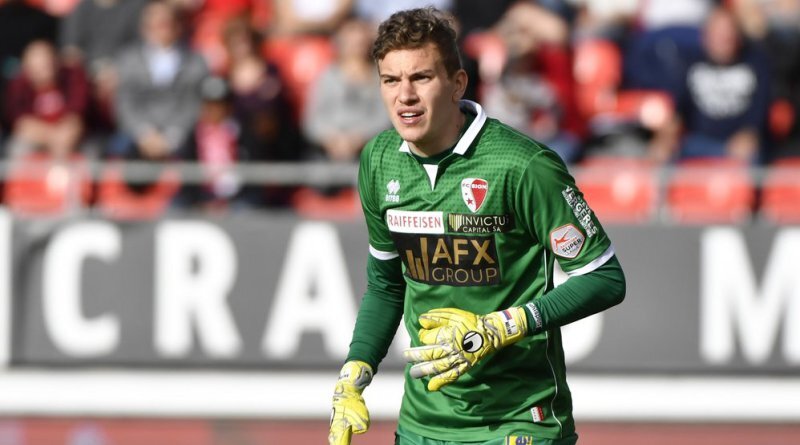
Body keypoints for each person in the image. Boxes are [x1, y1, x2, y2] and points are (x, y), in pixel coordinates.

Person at [328, 7, 626, 445]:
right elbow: (387, 285)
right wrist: (355, 372)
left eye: (421, 78)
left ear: (457, 83)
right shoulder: (378, 159)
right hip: (422, 425)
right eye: (390, 80)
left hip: (519, 420)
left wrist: (504, 326)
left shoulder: (524, 165)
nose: (404, 95)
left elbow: (604, 278)